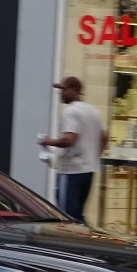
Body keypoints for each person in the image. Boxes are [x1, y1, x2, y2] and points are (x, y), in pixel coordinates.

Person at [38, 76, 105, 223]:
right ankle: (83, 239)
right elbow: (104, 138)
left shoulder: (71, 111)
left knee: (66, 216)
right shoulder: (94, 111)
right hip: (88, 170)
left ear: (74, 90)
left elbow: (69, 139)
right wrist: (94, 156)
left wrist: (48, 141)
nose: (60, 93)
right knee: (78, 213)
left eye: (63, 89)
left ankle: (74, 243)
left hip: (71, 171)